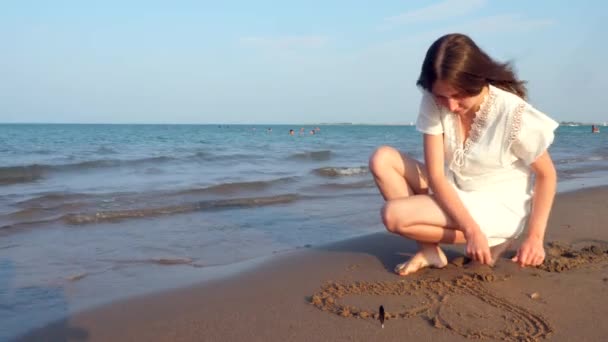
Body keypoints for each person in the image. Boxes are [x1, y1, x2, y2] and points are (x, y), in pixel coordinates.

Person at [369, 33, 559, 276]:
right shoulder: (435, 99)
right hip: (453, 186)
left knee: (394, 216)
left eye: (458, 95)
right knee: (382, 159)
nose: (449, 105)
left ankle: (496, 236)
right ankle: (430, 251)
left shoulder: (512, 113)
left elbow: (547, 175)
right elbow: (436, 175)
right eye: (441, 96)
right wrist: (471, 230)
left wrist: (534, 238)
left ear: (476, 81)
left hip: (497, 204)